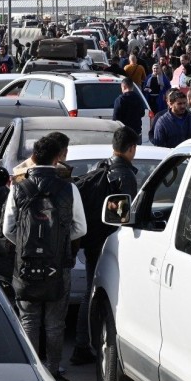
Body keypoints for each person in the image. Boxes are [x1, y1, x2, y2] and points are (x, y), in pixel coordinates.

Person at [2, 135, 87, 381]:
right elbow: (80, 228)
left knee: (29, 318)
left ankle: (31, 374)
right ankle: (53, 374)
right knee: (55, 322)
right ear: (59, 155)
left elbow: (8, 228)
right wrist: (56, 244)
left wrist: (29, 246)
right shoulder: (68, 187)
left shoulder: (19, 185)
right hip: (58, 265)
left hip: (26, 265)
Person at [70, 126, 140, 365]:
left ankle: (82, 344)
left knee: (90, 292)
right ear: (131, 149)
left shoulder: (101, 167)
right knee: (102, 296)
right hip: (110, 245)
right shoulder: (126, 177)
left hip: (92, 242)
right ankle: (85, 345)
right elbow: (127, 219)